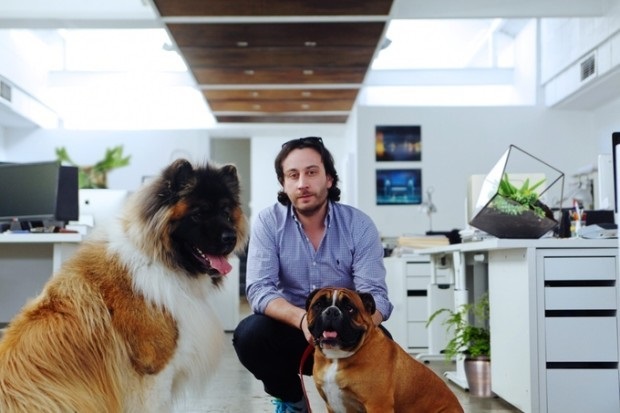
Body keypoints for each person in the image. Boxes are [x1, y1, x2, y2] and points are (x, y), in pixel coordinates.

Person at [232, 136, 393, 413]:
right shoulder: (269, 222)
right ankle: (293, 401)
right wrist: (303, 319)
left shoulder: (359, 225)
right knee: (249, 336)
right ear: (283, 183)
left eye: (311, 172)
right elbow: (259, 289)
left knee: (384, 345)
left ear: (329, 178)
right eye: (292, 175)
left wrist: (361, 328)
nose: (302, 183)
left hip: (347, 332)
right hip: (292, 329)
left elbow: (376, 296)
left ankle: (356, 404)